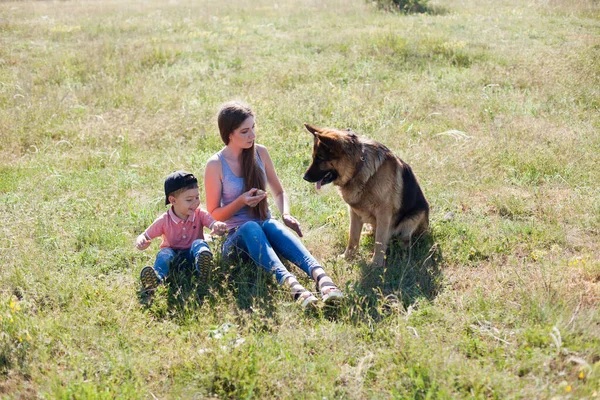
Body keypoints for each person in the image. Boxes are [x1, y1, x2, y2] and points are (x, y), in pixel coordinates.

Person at [204, 101, 344, 308]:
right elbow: (214, 214)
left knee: (271, 224)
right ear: (229, 134)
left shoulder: (260, 152)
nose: (252, 135)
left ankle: (322, 279)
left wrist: (286, 213)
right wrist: (241, 201)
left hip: (265, 227)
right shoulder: (215, 164)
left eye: (253, 128)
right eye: (244, 131)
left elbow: (278, 192)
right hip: (234, 240)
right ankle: (292, 286)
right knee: (251, 226)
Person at [136, 170, 227, 291]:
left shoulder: (200, 214)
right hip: (174, 259)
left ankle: (204, 268)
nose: (196, 202)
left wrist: (218, 227)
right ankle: (156, 279)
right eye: (189, 200)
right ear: (173, 201)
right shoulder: (164, 220)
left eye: (197, 197)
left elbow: (213, 224)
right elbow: (145, 235)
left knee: (199, 243)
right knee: (165, 253)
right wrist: (141, 241)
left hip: (193, 256)